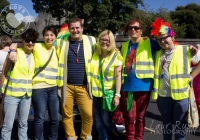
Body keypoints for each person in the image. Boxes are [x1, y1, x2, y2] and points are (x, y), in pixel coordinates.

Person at [151, 17, 200, 140]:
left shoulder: (185, 50)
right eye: (160, 39)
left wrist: (192, 76)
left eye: (165, 37)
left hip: (181, 96)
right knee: (166, 125)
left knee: (180, 127)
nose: (162, 41)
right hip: (163, 97)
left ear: (172, 37)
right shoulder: (157, 54)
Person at [9, 26, 60, 140]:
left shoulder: (57, 49)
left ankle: (53, 138)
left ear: (55, 37)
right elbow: (17, 44)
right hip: (39, 88)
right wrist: (12, 49)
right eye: (46, 35)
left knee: (55, 118)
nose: (49, 37)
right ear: (43, 36)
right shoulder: (37, 46)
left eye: (52, 35)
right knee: (39, 118)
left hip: (53, 87)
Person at [120, 19, 161, 140]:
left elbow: (167, 45)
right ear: (127, 31)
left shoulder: (150, 42)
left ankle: (139, 138)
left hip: (144, 87)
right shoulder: (124, 46)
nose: (133, 30)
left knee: (140, 117)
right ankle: (130, 138)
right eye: (130, 28)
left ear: (141, 30)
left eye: (136, 28)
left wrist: (189, 50)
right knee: (129, 117)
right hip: (127, 88)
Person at [56, 18, 96, 140]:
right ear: (69, 29)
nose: (75, 30)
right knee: (66, 115)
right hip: (66, 85)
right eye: (72, 28)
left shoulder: (91, 40)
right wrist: (14, 47)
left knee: (88, 114)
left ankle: (85, 136)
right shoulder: (61, 42)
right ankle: (71, 136)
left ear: (82, 28)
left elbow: (104, 50)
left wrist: (114, 50)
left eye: (77, 27)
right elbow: (43, 45)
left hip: (85, 85)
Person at [0, 28, 39, 140]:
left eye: (32, 40)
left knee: (23, 124)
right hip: (11, 96)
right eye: (27, 40)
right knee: (8, 125)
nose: (30, 43)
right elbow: (4, 72)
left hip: (26, 96)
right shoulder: (15, 53)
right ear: (22, 40)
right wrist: (1, 90)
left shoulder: (34, 54)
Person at [90, 30, 123, 140]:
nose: (104, 42)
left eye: (107, 40)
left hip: (108, 93)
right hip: (94, 92)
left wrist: (117, 95)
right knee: (97, 117)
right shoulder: (95, 52)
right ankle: (103, 136)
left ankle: (111, 128)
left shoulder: (116, 55)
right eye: (102, 39)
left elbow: (119, 77)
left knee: (105, 118)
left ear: (112, 41)